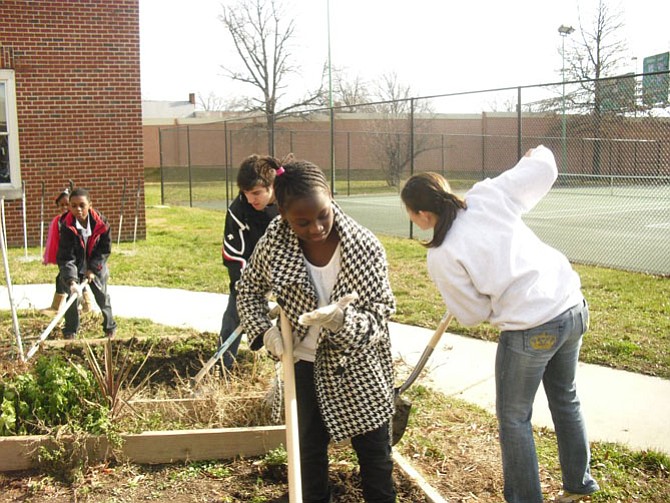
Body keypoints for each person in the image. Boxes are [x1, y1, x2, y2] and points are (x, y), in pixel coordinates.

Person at [400, 145, 599, 503]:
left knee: (514, 419)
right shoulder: (486, 196)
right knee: (566, 399)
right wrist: (535, 154)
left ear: (423, 214)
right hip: (571, 307)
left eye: (412, 214)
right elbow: (544, 170)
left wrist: (491, 301)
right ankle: (578, 484)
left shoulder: (442, 255)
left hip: (530, 328)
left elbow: (472, 314)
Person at [237, 156, 397, 503]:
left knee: (376, 458)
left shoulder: (364, 246)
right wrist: (266, 333)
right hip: (303, 367)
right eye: (302, 222)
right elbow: (248, 290)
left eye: (323, 214)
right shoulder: (273, 245)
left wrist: (342, 321)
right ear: (282, 214)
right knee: (307, 457)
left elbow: (380, 312)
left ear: (330, 195)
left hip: (359, 365)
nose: (316, 228)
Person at [219, 155, 280, 370]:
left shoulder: (289, 203)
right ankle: (223, 367)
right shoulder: (238, 212)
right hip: (248, 276)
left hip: (287, 274)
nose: (251, 199)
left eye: (256, 193)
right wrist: (246, 290)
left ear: (272, 186)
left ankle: (286, 369)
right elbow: (233, 255)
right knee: (233, 317)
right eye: (246, 193)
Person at [57, 187, 117, 339]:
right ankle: (71, 330)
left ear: (90, 205)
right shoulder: (66, 226)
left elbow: (104, 249)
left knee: (102, 295)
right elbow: (66, 256)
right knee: (72, 297)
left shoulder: (101, 223)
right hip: (76, 266)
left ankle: (109, 326)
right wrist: (71, 280)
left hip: (95, 265)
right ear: (69, 206)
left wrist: (93, 269)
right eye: (74, 205)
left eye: (82, 205)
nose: (78, 209)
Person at [42, 186, 71, 313]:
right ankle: (56, 306)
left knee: (70, 279)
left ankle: (86, 304)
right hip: (63, 255)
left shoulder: (75, 220)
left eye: (67, 204)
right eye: (61, 205)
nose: (64, 207)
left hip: (74, 256)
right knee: (62, 278)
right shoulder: (58, 221)